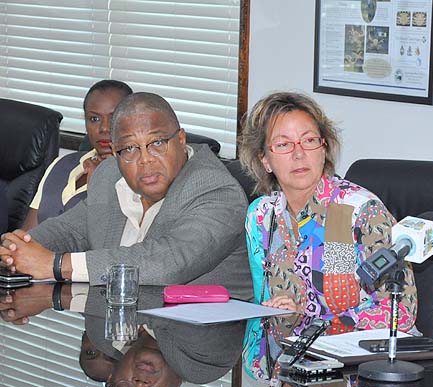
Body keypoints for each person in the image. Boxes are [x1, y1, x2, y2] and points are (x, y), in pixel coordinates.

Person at [238, 91, 417, 380]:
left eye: (309, 141)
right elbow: (267, 305)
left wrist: (314, 322)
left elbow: (401, 313)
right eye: (283, 144)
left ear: (324, 148)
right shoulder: (262, 216)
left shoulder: (354, 211)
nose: (299, 154)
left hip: (360, 371)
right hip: (291, 364)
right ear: (265, 160)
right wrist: (283, 312)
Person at [0, 92, 253, 296]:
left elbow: (167, 262)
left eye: (156, 143)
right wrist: (16, 251)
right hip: (124, 334)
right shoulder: (110, 174)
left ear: (181, 139)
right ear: (115, 150)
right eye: (130, 148)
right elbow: (70, 230)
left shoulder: (217, 191)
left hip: (197, 347)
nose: (145, 160)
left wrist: (55, 265)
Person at [23, 80, 133, 230]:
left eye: (114, 118)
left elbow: (109, 243)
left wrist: (99, 186)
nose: (104, 128)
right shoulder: (62, 164)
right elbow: (28, 233)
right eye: (94, 119)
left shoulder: (137, 176)